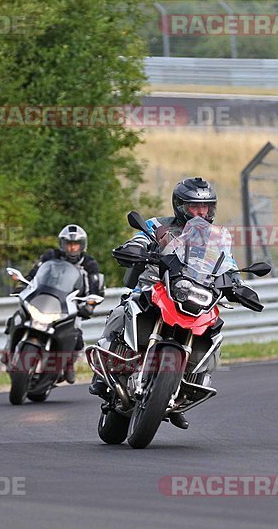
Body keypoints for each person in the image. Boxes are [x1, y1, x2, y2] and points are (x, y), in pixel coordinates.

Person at [89, 176, 227, 430]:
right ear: (180, 207)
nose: (201, 212)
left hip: (193, 291)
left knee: (215, 326)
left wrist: (237, 283)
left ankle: (181, 386)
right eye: (194, 207)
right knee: (123, 309)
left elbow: (227, 263)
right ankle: (102, 370)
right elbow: (140, 238)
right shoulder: (158, 225)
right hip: (154, 284)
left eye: (206, 207)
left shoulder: (218, 238)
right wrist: (135, 248)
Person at [2, 224, 103, 384]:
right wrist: (23, 284)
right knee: (17, 317)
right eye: (68, 244)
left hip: (72, 303)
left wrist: (89, 304)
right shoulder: (51, 255)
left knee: (76, 335)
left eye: (75, 244)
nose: (71, 248)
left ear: (82, 245)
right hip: (45, 296)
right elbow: (35, 271)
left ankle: (68, 363)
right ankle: (8, 349)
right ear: (62, 244)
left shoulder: (89, 263)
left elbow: (95, 287)